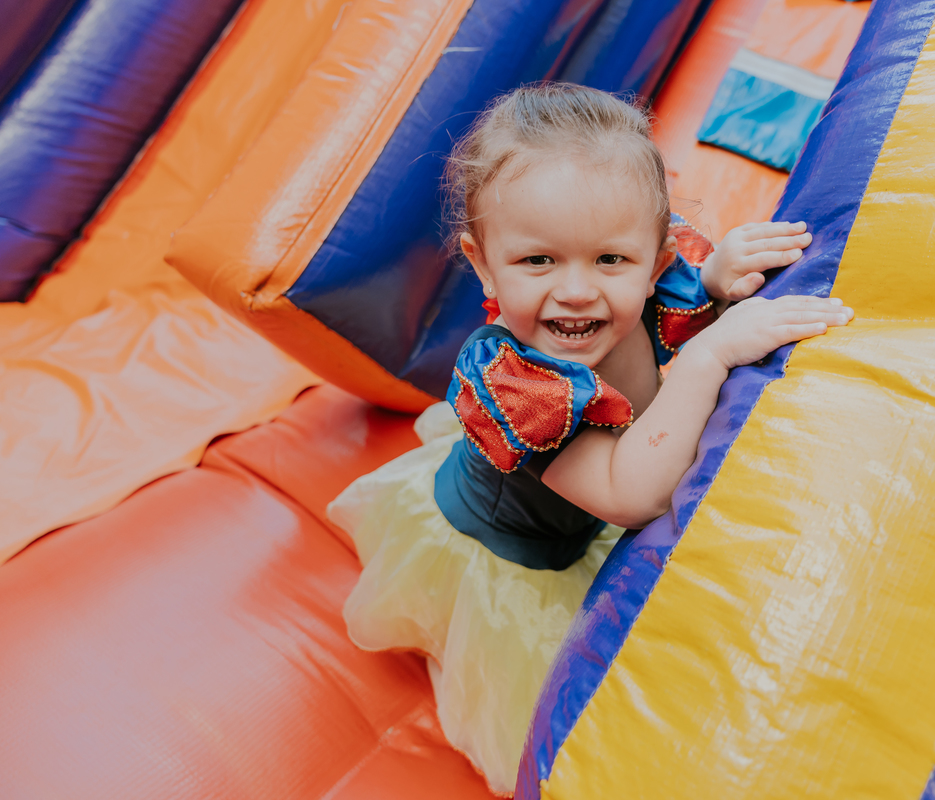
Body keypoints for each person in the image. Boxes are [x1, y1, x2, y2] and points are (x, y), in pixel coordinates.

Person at [327, 83, 852, 794]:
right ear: (483, 264)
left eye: (611, 261)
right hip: (518, 555)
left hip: (590, 484)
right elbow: (627, 493)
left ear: (657, 259)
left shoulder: (659, 284)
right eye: (538, 261)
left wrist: (719, 285)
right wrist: (710, 354)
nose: (578, 291)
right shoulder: (518, 389)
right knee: (558, 710)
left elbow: (675, 308)